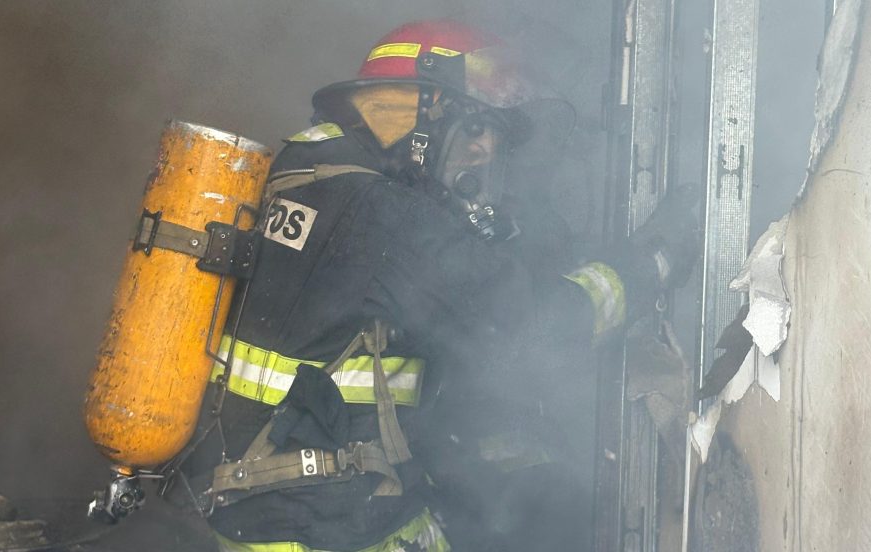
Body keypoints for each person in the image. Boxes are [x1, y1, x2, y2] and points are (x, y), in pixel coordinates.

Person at [178, 19, 697, 551]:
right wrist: (649, 262)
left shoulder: (306, 172)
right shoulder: (388, 215)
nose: (487, 151)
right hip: (331, 530)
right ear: (423, 111)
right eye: (476, 127)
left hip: (259, 516)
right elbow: (531, 328)